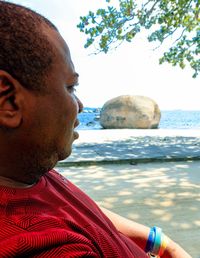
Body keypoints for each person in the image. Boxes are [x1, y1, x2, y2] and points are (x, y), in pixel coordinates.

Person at [0, 1, 191, 257]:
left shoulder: (26, 168)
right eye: (70, 87)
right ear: (8, 100)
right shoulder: (40, 244)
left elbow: (83, 209)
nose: (79, 105)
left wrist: (162, 243)